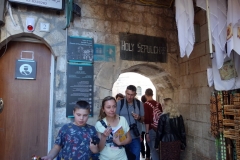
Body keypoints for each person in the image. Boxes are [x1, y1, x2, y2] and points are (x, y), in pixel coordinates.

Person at [116, 85, 144, 160]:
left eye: (132, 95)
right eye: (128, 94)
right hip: (122, 136)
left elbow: (143, 119)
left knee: (135, 157)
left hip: (135, 136)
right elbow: (115, 118)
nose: (129, 97)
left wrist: (139, 118)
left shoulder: (139, 104)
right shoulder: (119, 103)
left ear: (135, 94)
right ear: (125, 92)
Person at [144, 88, 162, 160]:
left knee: (153, 149)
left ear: (146, 95)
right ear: (152, 94)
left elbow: (147, 120)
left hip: (151, 129)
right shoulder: (158, 104)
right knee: (157, 149)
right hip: (159, 130)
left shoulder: (146, 105)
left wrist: (147, 133)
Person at [140, 95, 150, 160]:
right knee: (147, 141)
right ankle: (147, 156)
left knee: (141, 141)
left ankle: (143, 154)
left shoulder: (140, 106)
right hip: (146, 127)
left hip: (140, 127)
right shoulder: (147, 106)